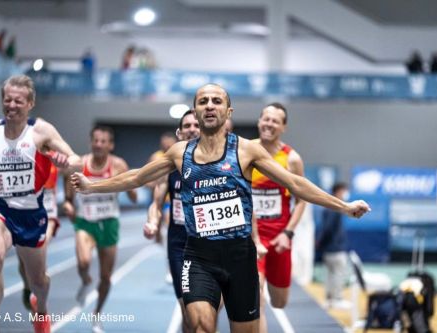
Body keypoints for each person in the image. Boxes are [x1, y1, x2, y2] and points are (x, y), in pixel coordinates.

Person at [70, 83, 370, 333]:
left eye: (217, 101)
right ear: (196, 111)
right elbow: (136, 176)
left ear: (228, 112)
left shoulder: (245, 150)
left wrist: (343, 206)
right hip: (199, 256)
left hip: (240, 257)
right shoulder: (179, 153)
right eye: (203, 101)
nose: (209, 105)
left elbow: (295, 184)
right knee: (200, 326)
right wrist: (90, 186)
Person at [0, 74, 81, 333]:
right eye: (7, 100)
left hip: (30, 213)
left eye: (18, 101)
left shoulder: (41, 132)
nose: (11, 106)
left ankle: (42, 308)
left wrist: (65, 163)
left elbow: (77, 161)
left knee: (38, 281)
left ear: (30, 104)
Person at [62, 125, 137, 333]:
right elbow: (68, 196)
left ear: (110, 145)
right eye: (95, 140)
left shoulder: (118, 165)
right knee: (84, 262)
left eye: (103, 141)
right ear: (90, 142)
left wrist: (130, 188)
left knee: (105, 277)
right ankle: (85, 280)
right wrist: (68, 205)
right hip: (85, 222)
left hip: (109, 223)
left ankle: (96, 314)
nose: (98, 144)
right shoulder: (79, 165)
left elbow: (133, 196)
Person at [251, 102, 306, 333]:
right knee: (256, 300)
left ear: (283, 127)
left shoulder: (292, 159)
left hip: (279, 238)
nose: (269, 124)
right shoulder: (246, 152)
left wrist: (288, 233)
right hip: (251, 238)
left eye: (275, 121)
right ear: (259, 122)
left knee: (279, 301)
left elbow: (302, 200)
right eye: (266, 119)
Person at [143, 110, 200, 333]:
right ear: (180, 132)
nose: (192, 129)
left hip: (210, 244)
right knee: (187, 307)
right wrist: (152, 221)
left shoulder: (218, 162)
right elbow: (156, 203)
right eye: (187, 125)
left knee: (206, 309)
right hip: (179, 244)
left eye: (196, 124)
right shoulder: (167, 166)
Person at [19, 163, 60, 311]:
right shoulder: (22, 154)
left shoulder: (54, 158)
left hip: (48, 214)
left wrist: (69, 200)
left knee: (40, 246)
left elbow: (72, 168)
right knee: (23, 263)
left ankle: (39, 300)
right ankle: (28, 286)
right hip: (25, 214)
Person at [316, 182, 350, 309]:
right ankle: (336, 299)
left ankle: (330, 299)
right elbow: (328, 229)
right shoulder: (334, 208)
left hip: (330, 248)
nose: (345, 194)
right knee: (337, 274)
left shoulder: (329, 207)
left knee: (331, 275)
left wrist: (321, 243)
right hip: (335, 249)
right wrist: (323, 243)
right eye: (344, 191)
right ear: (338, 191)